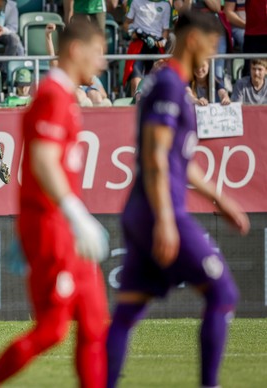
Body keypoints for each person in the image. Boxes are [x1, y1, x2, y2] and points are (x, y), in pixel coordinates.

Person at [106, 11, 250, 388]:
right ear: (192, 40)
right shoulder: (169, 86)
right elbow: (155, 156)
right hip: (158, 211)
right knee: (223, 294)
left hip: (141, 210)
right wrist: (167, 220)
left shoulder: (170, 86)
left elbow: (177, 161)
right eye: (212, 45)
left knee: (126, 312)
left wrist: (222, 198)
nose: (214, 55)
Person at [0, 20, 110, 387]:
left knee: (95, 324)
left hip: (64, 225)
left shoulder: (64, 96)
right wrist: (75, 213)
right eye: (99, 52)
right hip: (53, 227)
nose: (104, 63)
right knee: (52, 330)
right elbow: (44, 161)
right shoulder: (51, 94)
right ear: (76, 51)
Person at [122, 0, 170, 96]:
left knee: (160, 82)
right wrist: (133, 34)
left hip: (156, 47)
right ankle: (135, 108)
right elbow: (126, 25)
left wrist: (161, 42)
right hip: (138, 46)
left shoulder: (165, 5)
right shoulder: (135, 2)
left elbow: (165, 31)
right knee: (135, 83)